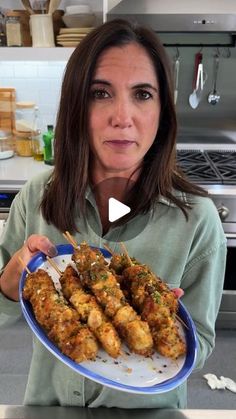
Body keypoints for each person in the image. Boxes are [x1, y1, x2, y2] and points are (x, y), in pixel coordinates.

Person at [0, 19, 226, 408]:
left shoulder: (198, 220)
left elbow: (201, 344)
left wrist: (170, 322)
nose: (122, 116)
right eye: (100, 93)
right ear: (76, 105)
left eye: (142, 94)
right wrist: (8, 285)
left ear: (163, 112)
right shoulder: (37, 197)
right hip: (50, 410)